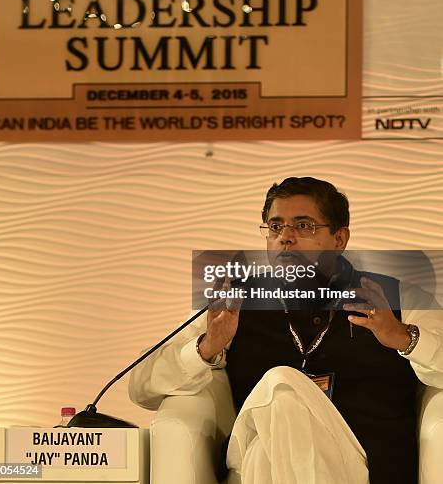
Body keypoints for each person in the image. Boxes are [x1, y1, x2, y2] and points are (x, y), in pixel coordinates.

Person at [129, 177, 443, 484]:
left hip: (361, 463)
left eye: (304, 225)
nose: (285, 237)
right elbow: (141, 387)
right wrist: (207, 348)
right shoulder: (234, 302)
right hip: (261, 459)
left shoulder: (396, 298)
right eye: (276, 226)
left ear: (339, 239)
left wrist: (404, 337)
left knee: (281, 386)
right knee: (280, 392)